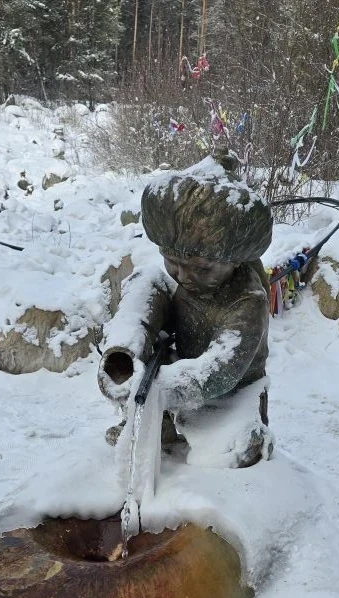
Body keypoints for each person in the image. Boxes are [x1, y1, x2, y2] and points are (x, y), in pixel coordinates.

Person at [98, 149, 274, 468]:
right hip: (178, 367)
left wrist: (155, 389)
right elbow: (151, 303)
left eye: (202, 268)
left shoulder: (247, 300)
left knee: (235, 453)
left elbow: (221, 372)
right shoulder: (178, 281)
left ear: (235, 261)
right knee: (146, 283)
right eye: (172, 261)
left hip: (232, 392)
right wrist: (127, 355)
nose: (184, 276)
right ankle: (157, 426)